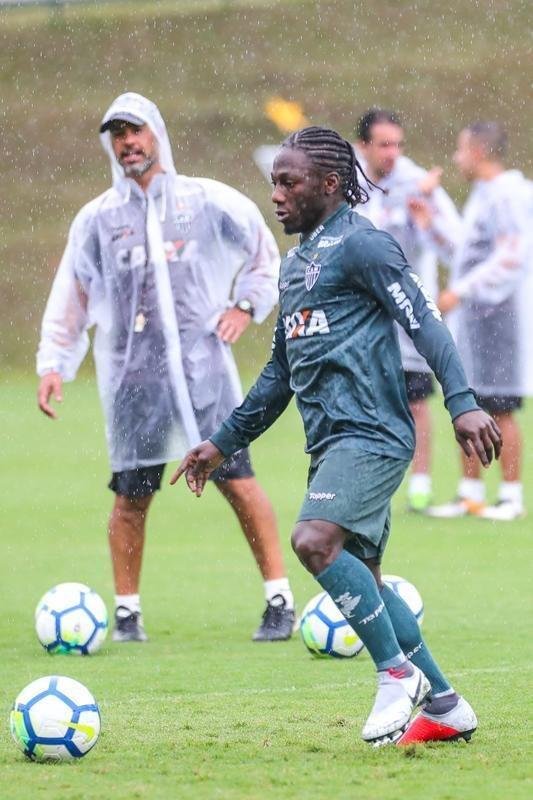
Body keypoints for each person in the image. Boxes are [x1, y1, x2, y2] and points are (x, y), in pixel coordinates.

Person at [170, 126, 501, 745]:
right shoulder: (295, 266)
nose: (276, 195)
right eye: (273, 182)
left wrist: (461, 403)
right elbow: (278, 375)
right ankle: (448, 706)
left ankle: (395, 675)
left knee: (314, 540)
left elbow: (424, 323)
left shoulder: (365, 245)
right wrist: (220, 443)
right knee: (365, 578)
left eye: (289, 182)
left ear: (329, 184)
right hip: (330, 443)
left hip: (372, 433)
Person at [36, 92, 296, 643]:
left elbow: (263, 254)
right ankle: (127, 613)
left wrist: (246, 305)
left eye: (137, 131)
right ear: (111, 145)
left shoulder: (204, 201)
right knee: (132, 493)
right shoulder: (98, 220)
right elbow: (73, 294)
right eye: (118, 135)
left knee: (238, 481)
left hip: (205, 374)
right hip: (134, 381)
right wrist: (55, 363)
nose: (129, 143)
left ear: (156, 133)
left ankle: (279, 599)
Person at [409, 122, 532, 521]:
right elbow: (465, 253)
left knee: (501, 406)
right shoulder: (484, 195)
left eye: (461, 150)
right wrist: (430, 225)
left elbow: (512, 257)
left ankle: (510, 495)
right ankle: (470, 493)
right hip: (474, 323)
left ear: (479, 152)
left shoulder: (510, 194)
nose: (457, 159)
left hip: (501, 318)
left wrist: (462, 292)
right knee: (470, 402)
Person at [355, 108, 461, 513]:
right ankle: (368, 482)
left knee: (415, 400)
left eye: (398, 144)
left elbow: (456, 246)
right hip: (363, 313)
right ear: (363, 146)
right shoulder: (349, 183)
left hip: (408, 314)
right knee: (365, 398)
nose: (392, 153)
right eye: (383, 144)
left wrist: (426, 219)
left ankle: (419, 483)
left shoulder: (419, 183)